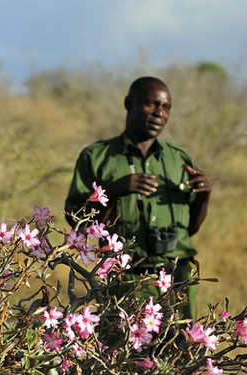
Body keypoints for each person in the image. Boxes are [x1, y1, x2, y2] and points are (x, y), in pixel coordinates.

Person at [64, 76, 211, 320]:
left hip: (177, 276)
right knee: (122, 353)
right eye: (151, 104)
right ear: (129, 103)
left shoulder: (178, 159)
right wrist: (113, 191)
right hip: (124, 277)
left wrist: (205, 197)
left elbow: (190, 229)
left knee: (179, 353)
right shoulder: (97, 156)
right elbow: (77, 221)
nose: (159, 114)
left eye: (166, 108)